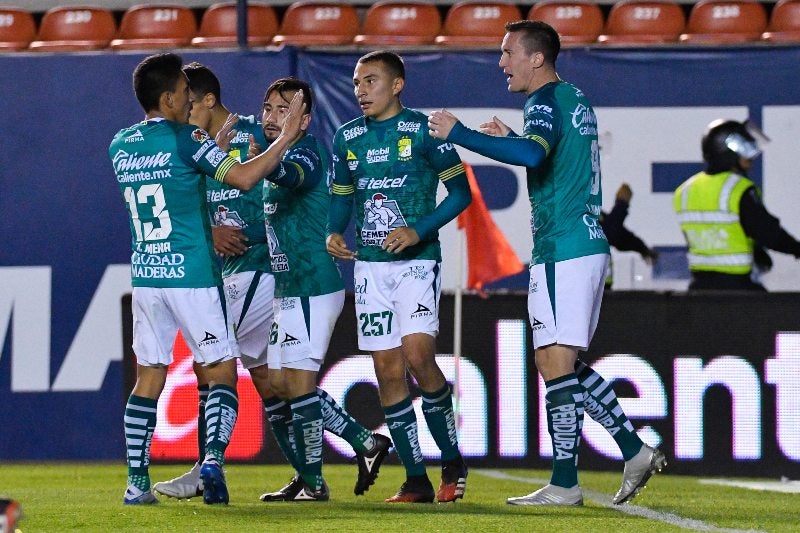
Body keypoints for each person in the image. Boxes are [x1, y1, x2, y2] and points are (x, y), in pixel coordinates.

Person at [428, 20, 666, 506]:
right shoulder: (571, 99)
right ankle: (631, 449)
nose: (501, 62)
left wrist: (462, 134)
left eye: (507, 52)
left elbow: (532, 157)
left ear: (536, 58)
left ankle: (566, 482)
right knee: (555, 361)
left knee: (554, 361)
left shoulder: (546, 101)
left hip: (565, 247)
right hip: (578, 243)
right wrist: (514, 138)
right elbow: (551, 159)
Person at [153, 65, 392, 502]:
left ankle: (207, 466)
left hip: (260, 270)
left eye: (187, 107)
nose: (180, 116)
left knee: (213, 358)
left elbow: (284, 182)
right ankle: (343, 451)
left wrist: (258, 151)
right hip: (250, 276)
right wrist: (210, 232)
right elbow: (194, 210)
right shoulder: (199, 149)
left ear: (205, 101)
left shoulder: (256, 135)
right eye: (269, 108)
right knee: (272, 384)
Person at [111, 52, 303, 506]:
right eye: (182, 91)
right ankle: (212, 460)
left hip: (147, 273)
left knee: (149, 376)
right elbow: (241, 178)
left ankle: (136, 484)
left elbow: (174, 185)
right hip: (194, 275)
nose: (187, 97)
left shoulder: (119, 144)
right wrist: (285, 139)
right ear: (168, 97)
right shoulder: (187, 138)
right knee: (220, 372)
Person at [327, 51, 472, 504]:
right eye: (355, 83)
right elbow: (343, 197)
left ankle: (451, 459)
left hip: (416, 263)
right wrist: (333, 229)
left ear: (397, 85)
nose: (360, 91)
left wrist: (418, 230)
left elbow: (461, 194)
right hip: (370, 267)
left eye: (370, 81)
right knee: (387, 370)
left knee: (417, 356)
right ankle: (416, 479)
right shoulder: (347, 137)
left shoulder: (424, 131)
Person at [673, 119, 800, 291]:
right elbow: (768, 232)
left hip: (699, 289)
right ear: (726, 151)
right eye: (744, 149)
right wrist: (795, 248)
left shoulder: (685, 191)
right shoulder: (737, 189)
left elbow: (712, 232)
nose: (750, 156)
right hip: (736, 291)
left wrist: (754, 249)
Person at [601, 183, 659, 289]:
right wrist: (621, 204)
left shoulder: (588, 210)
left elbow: (617, 234)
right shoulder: (572, 211)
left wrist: (642, 248)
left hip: (599, 288)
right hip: (581, 288)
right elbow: (610, 233)